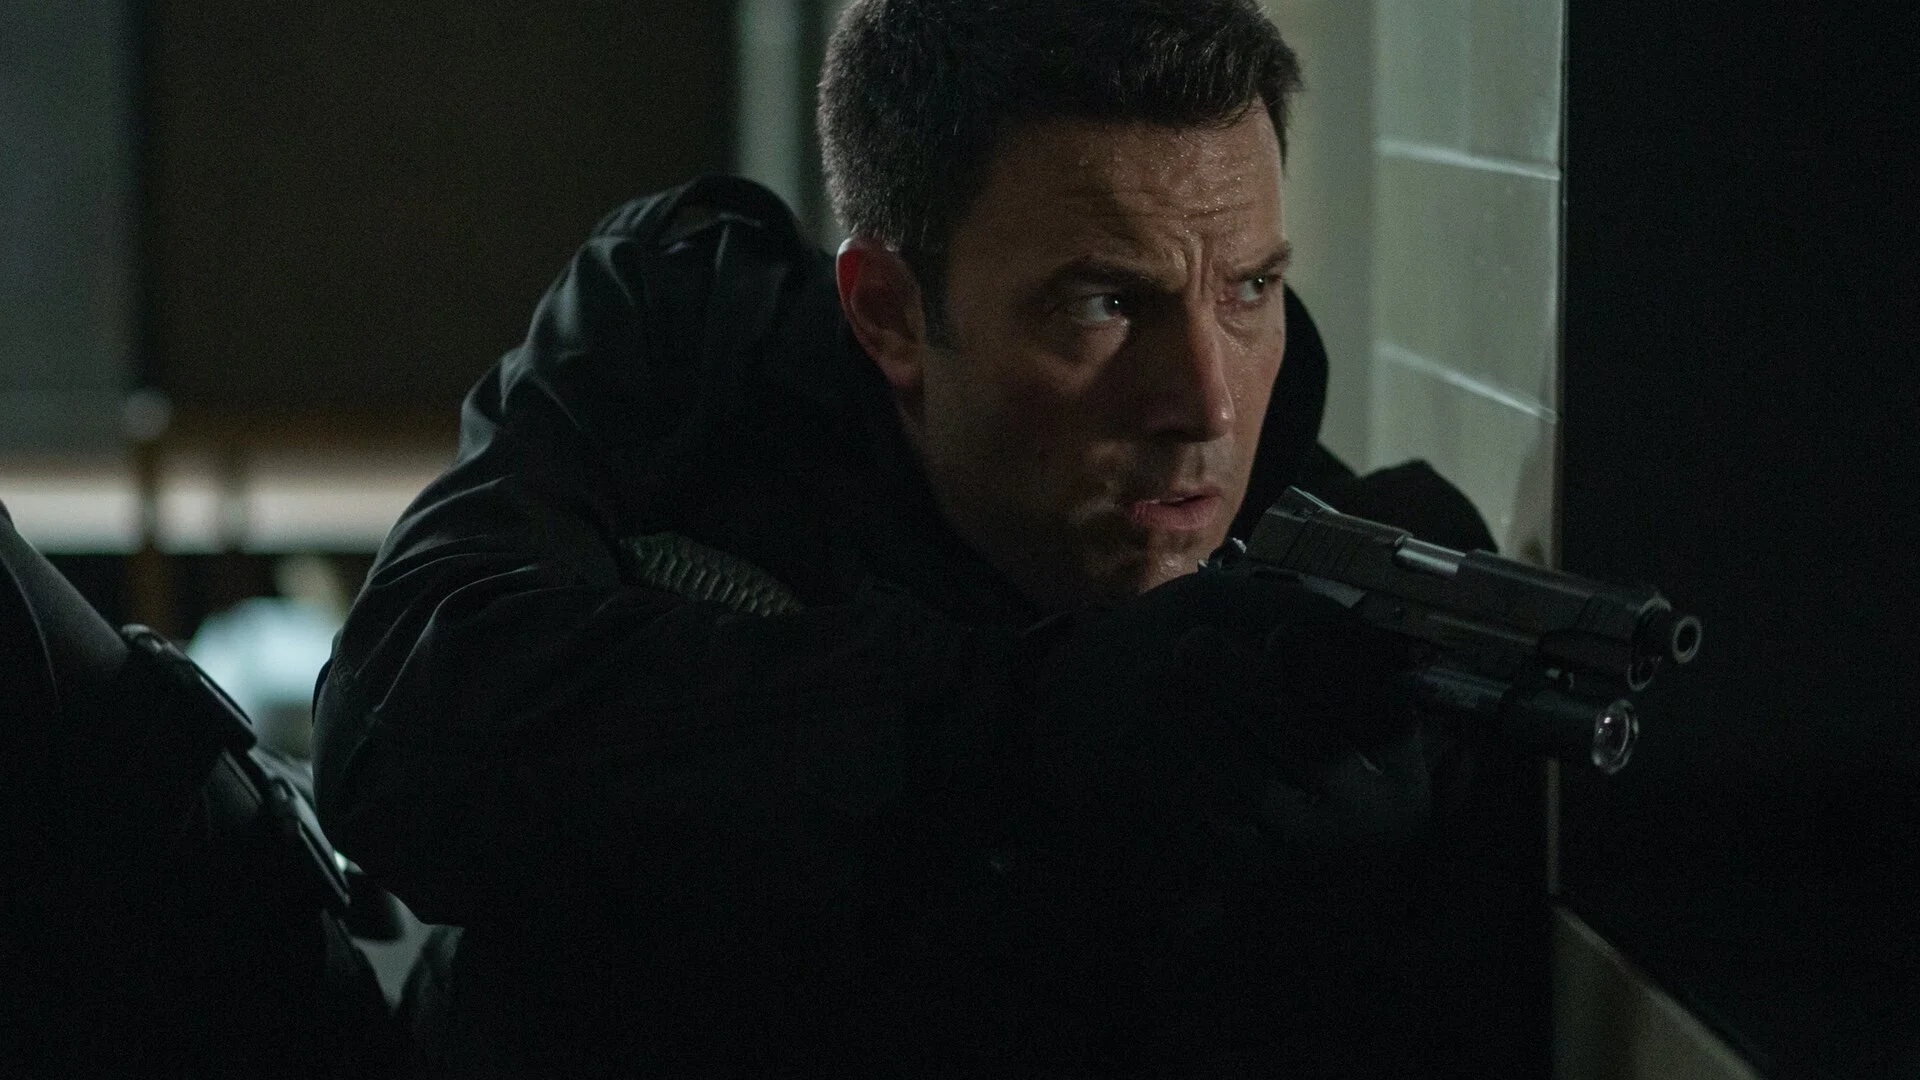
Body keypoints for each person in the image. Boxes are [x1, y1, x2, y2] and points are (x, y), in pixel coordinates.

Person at [313, 0, 1547, 1074]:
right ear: (890, 316)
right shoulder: (701, 355)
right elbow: (404, 733)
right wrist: (1015, 722)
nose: (1208, 405)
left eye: (1250, 289)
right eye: (1104, 303)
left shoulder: (1314, 581)